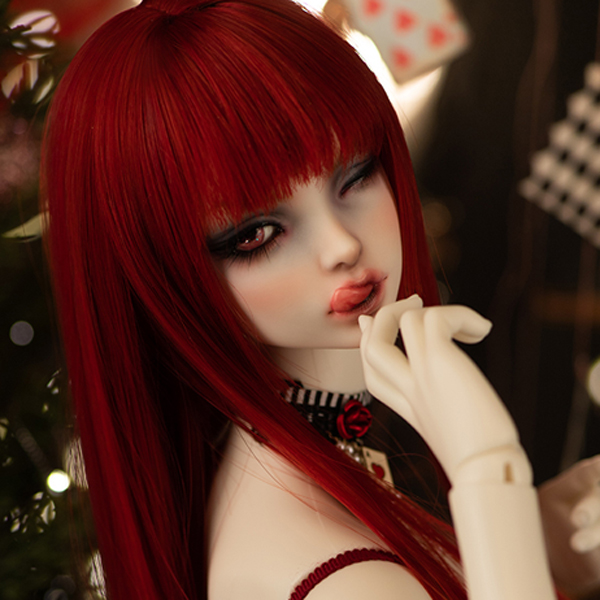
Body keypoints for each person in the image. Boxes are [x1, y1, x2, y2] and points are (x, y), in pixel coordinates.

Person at [41, 0, 563, 598]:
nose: (343, 245)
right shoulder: (340, 580)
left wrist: (542, 544)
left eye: (356, 175)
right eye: (256, 235)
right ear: (162, 272)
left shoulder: (280, 456)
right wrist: (486, 468)